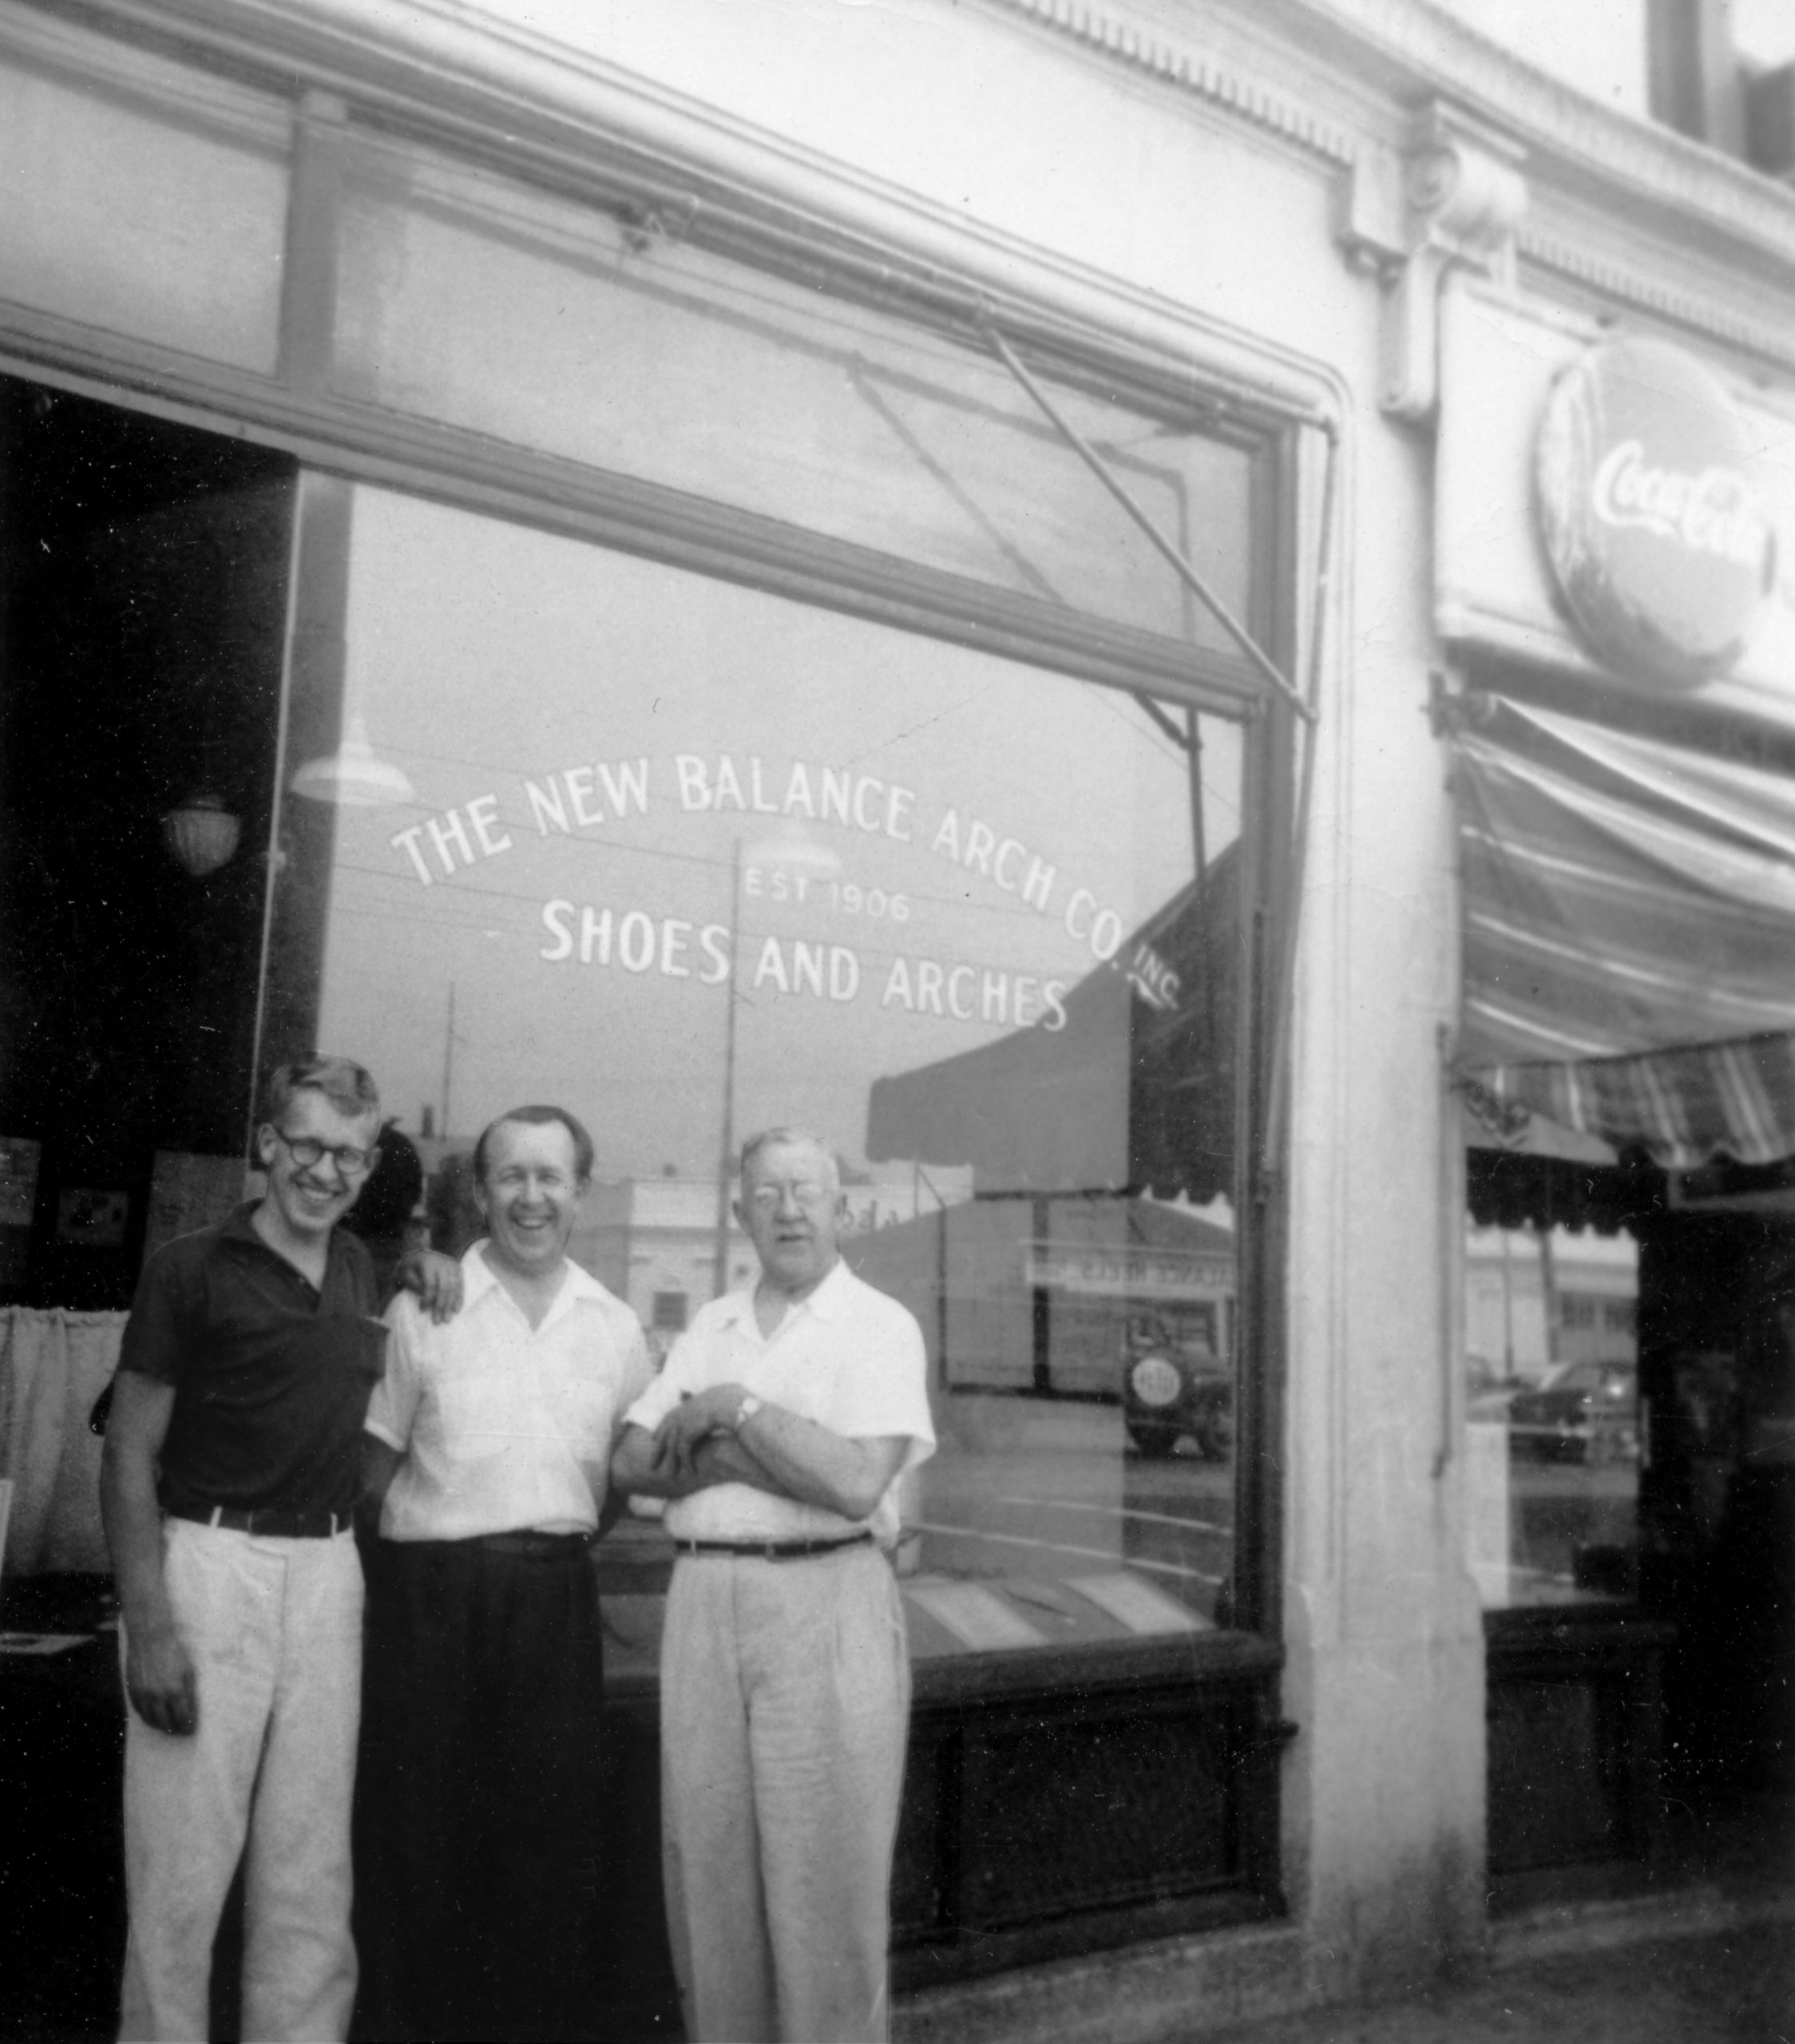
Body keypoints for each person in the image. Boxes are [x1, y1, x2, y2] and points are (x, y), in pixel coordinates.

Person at [101, 1056, 402, 2042]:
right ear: (268, 1143)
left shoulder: (361, 1267)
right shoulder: (188, 1267)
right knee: (180, 1872)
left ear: (369, 1166)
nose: (327, 1170)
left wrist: (434, 1261)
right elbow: (128, 1453)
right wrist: (150, 1627)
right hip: (210, 1564)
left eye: (350, 1154)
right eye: (308, 1144)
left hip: (327, 1575)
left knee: (309, 1869)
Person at [612, 1127, 935, 2044]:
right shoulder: (710, 1326)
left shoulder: (879, 1324)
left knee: (825, 1888)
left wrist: (733, 1411)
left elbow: (854, 1483)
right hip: (704, 1603)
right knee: (709, 1877)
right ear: (739, 1213)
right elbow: (631, 1462)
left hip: (821, 1599)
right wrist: (770, 1456)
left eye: (806, 1192)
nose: (788, 1211)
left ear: (842, 1208)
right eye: (766, 1194)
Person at [354, 1105, 654, 2043]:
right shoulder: (423, 1309)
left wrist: (540, 1544)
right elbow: (368, 1477)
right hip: (429, 1601)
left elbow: (612, 1484)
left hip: (553, 1599)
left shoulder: (615, 1327)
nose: (532, 1196)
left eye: (550, 1176)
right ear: (480, 1193)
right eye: (511, 1176)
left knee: (546, 1840)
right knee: (418, 1836)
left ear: (581, 1192)